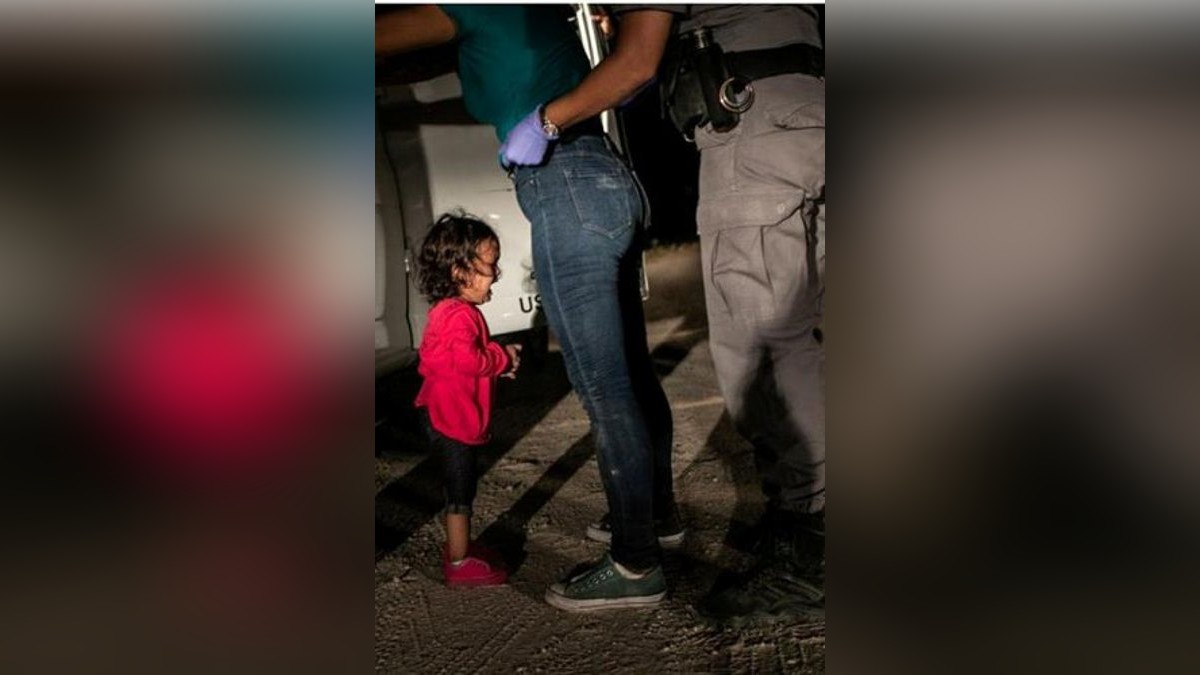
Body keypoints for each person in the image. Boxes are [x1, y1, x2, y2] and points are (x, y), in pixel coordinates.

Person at [507, 5, 826, 624]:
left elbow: (635, 63)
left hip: (755, 124)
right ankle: (799, 521)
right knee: (798, 338)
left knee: (761, 353)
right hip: (805, 111)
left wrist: (546, 120)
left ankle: (813, 555)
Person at [377, 5, 680, 610]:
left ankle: (636, 560)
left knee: (603, 385)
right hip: (598, 174)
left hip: (564, 179)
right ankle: (656, 517)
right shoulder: (534, 14)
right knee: (630, 373)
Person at [414, 212, 521, 587]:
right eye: (490, 266)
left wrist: (495, 361)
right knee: (460, 491)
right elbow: (466, 359)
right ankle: (459, 562)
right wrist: (501, 357)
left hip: (441, 413)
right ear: (461, 272)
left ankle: (461, 549)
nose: (496, 274)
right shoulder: (459, 316)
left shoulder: (450, 312)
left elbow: (455, 359)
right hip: (451, 420)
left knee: (458, 487)